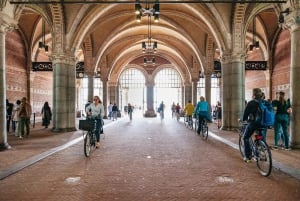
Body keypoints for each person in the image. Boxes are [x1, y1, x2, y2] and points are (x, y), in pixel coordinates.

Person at [242, 88, 263, 162]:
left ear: (253, 95)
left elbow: (245, 114)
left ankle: (248, 156)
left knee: (245, 137)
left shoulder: (251, 103)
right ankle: (261, 153)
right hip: (264, 124)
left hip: (254, 123)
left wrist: (243, 120)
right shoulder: (263, 102)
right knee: (259, 138)